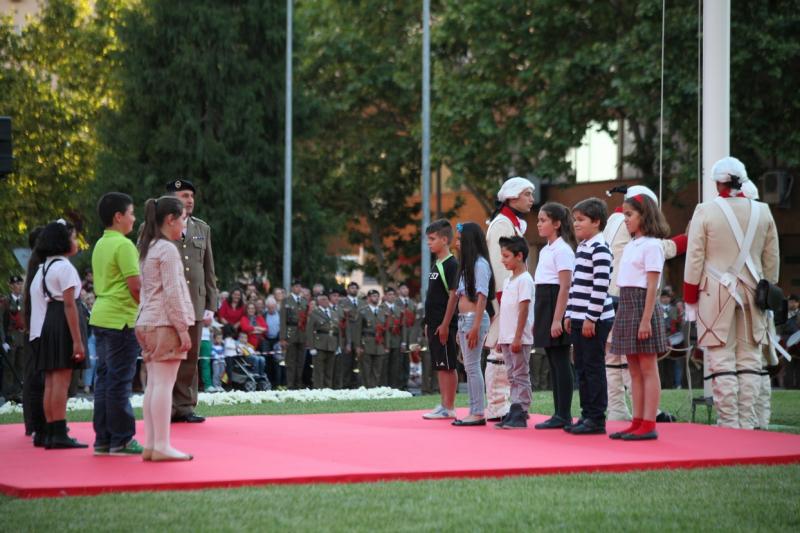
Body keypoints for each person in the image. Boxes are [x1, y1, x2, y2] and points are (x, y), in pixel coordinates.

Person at [683, 157, 780, 429]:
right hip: (754, 293)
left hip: (715, 294)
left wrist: (690, 298)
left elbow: (694, 259)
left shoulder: (705, 211)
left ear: (718, 182)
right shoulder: (763, 211)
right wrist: (766, 290)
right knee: (750, 360)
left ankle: (729, 424)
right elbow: (772, 260)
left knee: (721, 359)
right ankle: (748, 424)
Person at [603, 184, 688, 420]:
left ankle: (623, 410)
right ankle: (646, 414)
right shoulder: (632, 232)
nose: (626, 217)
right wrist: (688, 239)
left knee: (617, 359)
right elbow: (661, 249)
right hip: (627, 296)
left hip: (613, 294)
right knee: (637, 365)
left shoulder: (613, 221)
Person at [135, 196, 195, 461]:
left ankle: (151, 444)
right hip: (164, 323)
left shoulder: (148, 247)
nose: (184, 224)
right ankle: (161, 444)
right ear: (170, 219)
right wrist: (183, 329)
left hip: (147, 321)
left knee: (154, 385)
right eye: (182, 219)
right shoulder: (168, 250)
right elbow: (172, 293)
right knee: (163, 384)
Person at [608, 194, 670, 441]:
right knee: (632, 369)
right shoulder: (633, 244)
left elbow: (653, 286)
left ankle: (649, 422)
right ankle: (637, 420)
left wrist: (646, 320)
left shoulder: (653, 245)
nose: (625, 220)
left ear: (644, 215)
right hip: (626, 302)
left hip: (642, 304)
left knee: (647, 366)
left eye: (629, 215)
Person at [23, 220, 87, 449]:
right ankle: (59, 431)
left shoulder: (44, 268)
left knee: (51, 381)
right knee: (61, 381)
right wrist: (78, 341)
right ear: (62, 241)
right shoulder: (65, 268)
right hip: (61, 323)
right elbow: (70, 305)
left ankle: (51, 430)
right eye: (72, 237)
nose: (76, 242)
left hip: (48, 323)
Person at [91, 193, 143, 455]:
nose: (135, 218)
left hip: (101, 316)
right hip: (121, 319)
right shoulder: (124, 245)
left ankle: (103, 439)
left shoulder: (101, 244)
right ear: (118, 217)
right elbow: (135, 286)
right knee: (120, 381)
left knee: (104, 380)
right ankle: (122, 439)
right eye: (132, 213)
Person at [166, 179, 218, 424]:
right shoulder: (157, 226)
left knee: (191, 357)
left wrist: (211, 305)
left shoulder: (202, 228)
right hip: (169, 304)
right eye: (184, 195)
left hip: (195, 303)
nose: (189, 200)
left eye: (191, 196)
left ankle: (185, 406)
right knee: (168, 356)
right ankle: (167, 406)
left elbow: (209, 270)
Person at [484, 177, 535, 421]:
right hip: (505, 298)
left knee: (507, 357)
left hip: (511, 297)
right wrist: (503, 305)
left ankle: (505, 405)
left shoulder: (510, 223)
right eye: (527, 194)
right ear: (513, 197)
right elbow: (500, 265)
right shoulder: (502, 224)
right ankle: (497, 406)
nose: (531, 200)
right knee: (499, 353)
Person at [564, 198, 615, 435]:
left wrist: (590, 319)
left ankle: (597, 417)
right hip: (578, 316)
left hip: (594, 319)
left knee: (594, 367)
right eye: (575, 220)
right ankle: (586, 414)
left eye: (581, 220)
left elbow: (600, 286)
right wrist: (569, 313)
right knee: (582, 368)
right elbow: (576, 286)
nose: (576, 224)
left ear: (596, 222)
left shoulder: (600, 249)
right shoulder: (583, 247)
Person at [438, 222, 494, 426]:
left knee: (472, 367)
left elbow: (482, 297)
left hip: (473, 319)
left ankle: (477, 412)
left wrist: (475, 326)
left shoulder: (480, 264)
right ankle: (475, 410)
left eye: (461, 239)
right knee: (469, 367)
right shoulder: (466, 265)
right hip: (465, 320)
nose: (457, 243)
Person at [532, 203, 576, 430]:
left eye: (543, 220)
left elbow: (565, 286)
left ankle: (564, 413)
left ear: (557, 224)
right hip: (543, 302)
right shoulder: (545, 249)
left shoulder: (563, 250)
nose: (539, 224)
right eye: (538, 220)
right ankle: (558, 412)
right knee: (552, 360)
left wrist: (557, 318)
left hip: (555, 304)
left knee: (560, 361)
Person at [494, 236, 534, 429]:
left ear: (519, 256)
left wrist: (518, 336)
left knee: (520, 374)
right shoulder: (509, 280)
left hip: (519, 338)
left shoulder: (525, 280)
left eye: (506, 256)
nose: (503, 260)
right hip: (507, 337)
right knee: (511, 375)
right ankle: (515, 408)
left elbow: (524, 310)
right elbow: (506, 312)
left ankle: (522, 410)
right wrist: (500, 337)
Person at [421, 220, 459, 419]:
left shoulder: (451, 264)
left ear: (445, 240)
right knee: (439, 364)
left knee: (447, 365)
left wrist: (445, 324)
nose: (429, 243)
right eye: (428, 239)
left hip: (446, 325)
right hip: (434, 323)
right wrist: (428, 322)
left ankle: (449, 406)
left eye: (433, 239)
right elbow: (433, 297)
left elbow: (453, 296)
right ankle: (444, 402)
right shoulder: (437, 264)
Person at [354, 289, 388, 388]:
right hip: (367, 342)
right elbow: (358, 330)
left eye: (377, 296)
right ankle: (367, 388)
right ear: (368, 298)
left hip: (379, 343)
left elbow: (386, 330)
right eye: (373, 296)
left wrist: (386, 345)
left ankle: (374, 388)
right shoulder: (362, 311)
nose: (376, 298)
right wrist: (358, 346)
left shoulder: (382, 312)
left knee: (378, 368)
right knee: (366, 368)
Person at [308, 292, 340, 389]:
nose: (325, 301)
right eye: (322, 299)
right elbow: (309, 331)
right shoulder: (315, 313)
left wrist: (338, 345)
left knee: (329, 370)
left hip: (332, 344)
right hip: (319, 344)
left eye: (326, 299)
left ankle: (328, 389)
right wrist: (312, 346)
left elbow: (338, 330)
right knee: (318, 370)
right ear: (318, 302)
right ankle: (318, 389)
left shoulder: (334, 313)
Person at [2, 274, 26, 404]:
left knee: (20, 366)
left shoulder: (24, 301)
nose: (19, 286)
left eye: (20, 284)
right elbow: (1, 321)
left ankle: (18, 393)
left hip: (22, 338)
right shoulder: (5, 301)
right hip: (10, 339)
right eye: (16, 284)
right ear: (10, 286)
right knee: (9, 367)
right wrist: (3, 340)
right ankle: (8, 394)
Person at [281, 279, 308, 389]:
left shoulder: (304, 301)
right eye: (296, 286)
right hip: (291, 332)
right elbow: (283, 320)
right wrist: (282, 337)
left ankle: (298, 383)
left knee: (300, 361)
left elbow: (307, 319)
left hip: (302, 333)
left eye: (299, 286)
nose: (298, 288)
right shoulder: (286, 301)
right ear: (292, 288)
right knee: (291, 361)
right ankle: (290, 384)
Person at [339, 282, 362, 389]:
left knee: (357, 364)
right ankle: (345, 385)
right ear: (348, 290)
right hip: (346, 337)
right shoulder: (342, 302)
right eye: (352, 288)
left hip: (359, 336)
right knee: (346, 363)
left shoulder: (362, 303)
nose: (354, 290)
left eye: (355, 288)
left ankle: (356, 385)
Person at [382, 287, 405, 389]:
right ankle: (384, 385)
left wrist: (403, 341)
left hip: (396, 339)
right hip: (384, 340)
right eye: (389, 294)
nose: (391, 297)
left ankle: (394, 386)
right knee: (384, 364)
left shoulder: (399, 309)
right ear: (385, 296)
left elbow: (403, 326)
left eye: (393, 295)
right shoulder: (381, 308)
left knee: (395, 365)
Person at [263, 296, 283, 389]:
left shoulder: (280, 314)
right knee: (267, 361)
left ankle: (278, 382)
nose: (271, 309)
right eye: (269, 307)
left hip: (277, 340)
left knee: (278, 362)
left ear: (275, 306)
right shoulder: (264, 315)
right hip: (267, 340)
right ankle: (269, 382)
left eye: (272, 307)